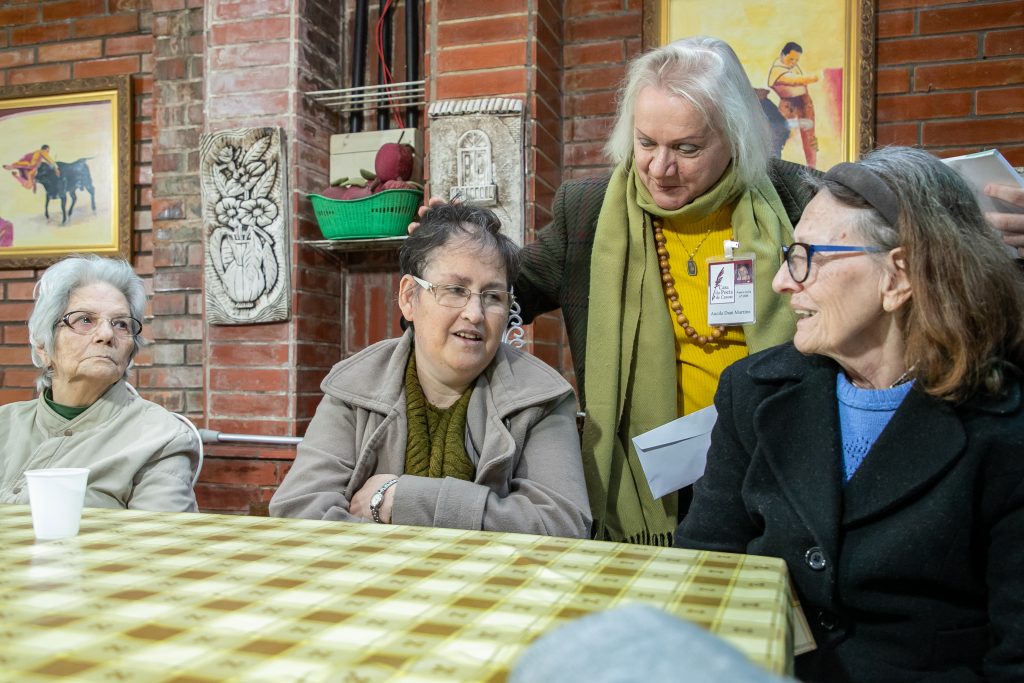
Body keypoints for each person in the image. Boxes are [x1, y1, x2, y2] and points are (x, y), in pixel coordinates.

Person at [675, 146, 1024, 682]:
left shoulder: (1003, 427)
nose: (782, 282)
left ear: (898, 277)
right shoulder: (753, 390)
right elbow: (709, 565)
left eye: (806, 257)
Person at [507, 36, 817, 545]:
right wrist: (452, 257)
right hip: (648, 481)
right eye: (646, 142)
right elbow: (504, 292)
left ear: (736, 138)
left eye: (687, 148)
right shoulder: (587, 213)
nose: (659, 168)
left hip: (777, 466)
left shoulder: (801, 200)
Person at [270, 204, 590, 537]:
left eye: (493, 296)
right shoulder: (355, 386)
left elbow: (563, 524)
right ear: (409, 297)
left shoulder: (541, 397)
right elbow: (297, 509)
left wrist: (397, 498)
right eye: (455, 290)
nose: (475, 313)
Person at [0, 255, 200, 512]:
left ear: (130, 350)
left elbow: (160, 544)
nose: (106, 335)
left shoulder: (159, 437)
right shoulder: (5, 424)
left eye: (120, 324)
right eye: (85, 320)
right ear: (42, 345)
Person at [768, 43, 819, 168]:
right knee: (779, 137)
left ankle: (812, 168)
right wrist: (814, 77)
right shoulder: (777, 69)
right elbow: (793, 80)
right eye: (791, 59)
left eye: (796, 60)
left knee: (810, 141)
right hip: (788, 106)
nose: (793, 62)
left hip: (805, 105)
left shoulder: (793, 67)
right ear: (782, 54)